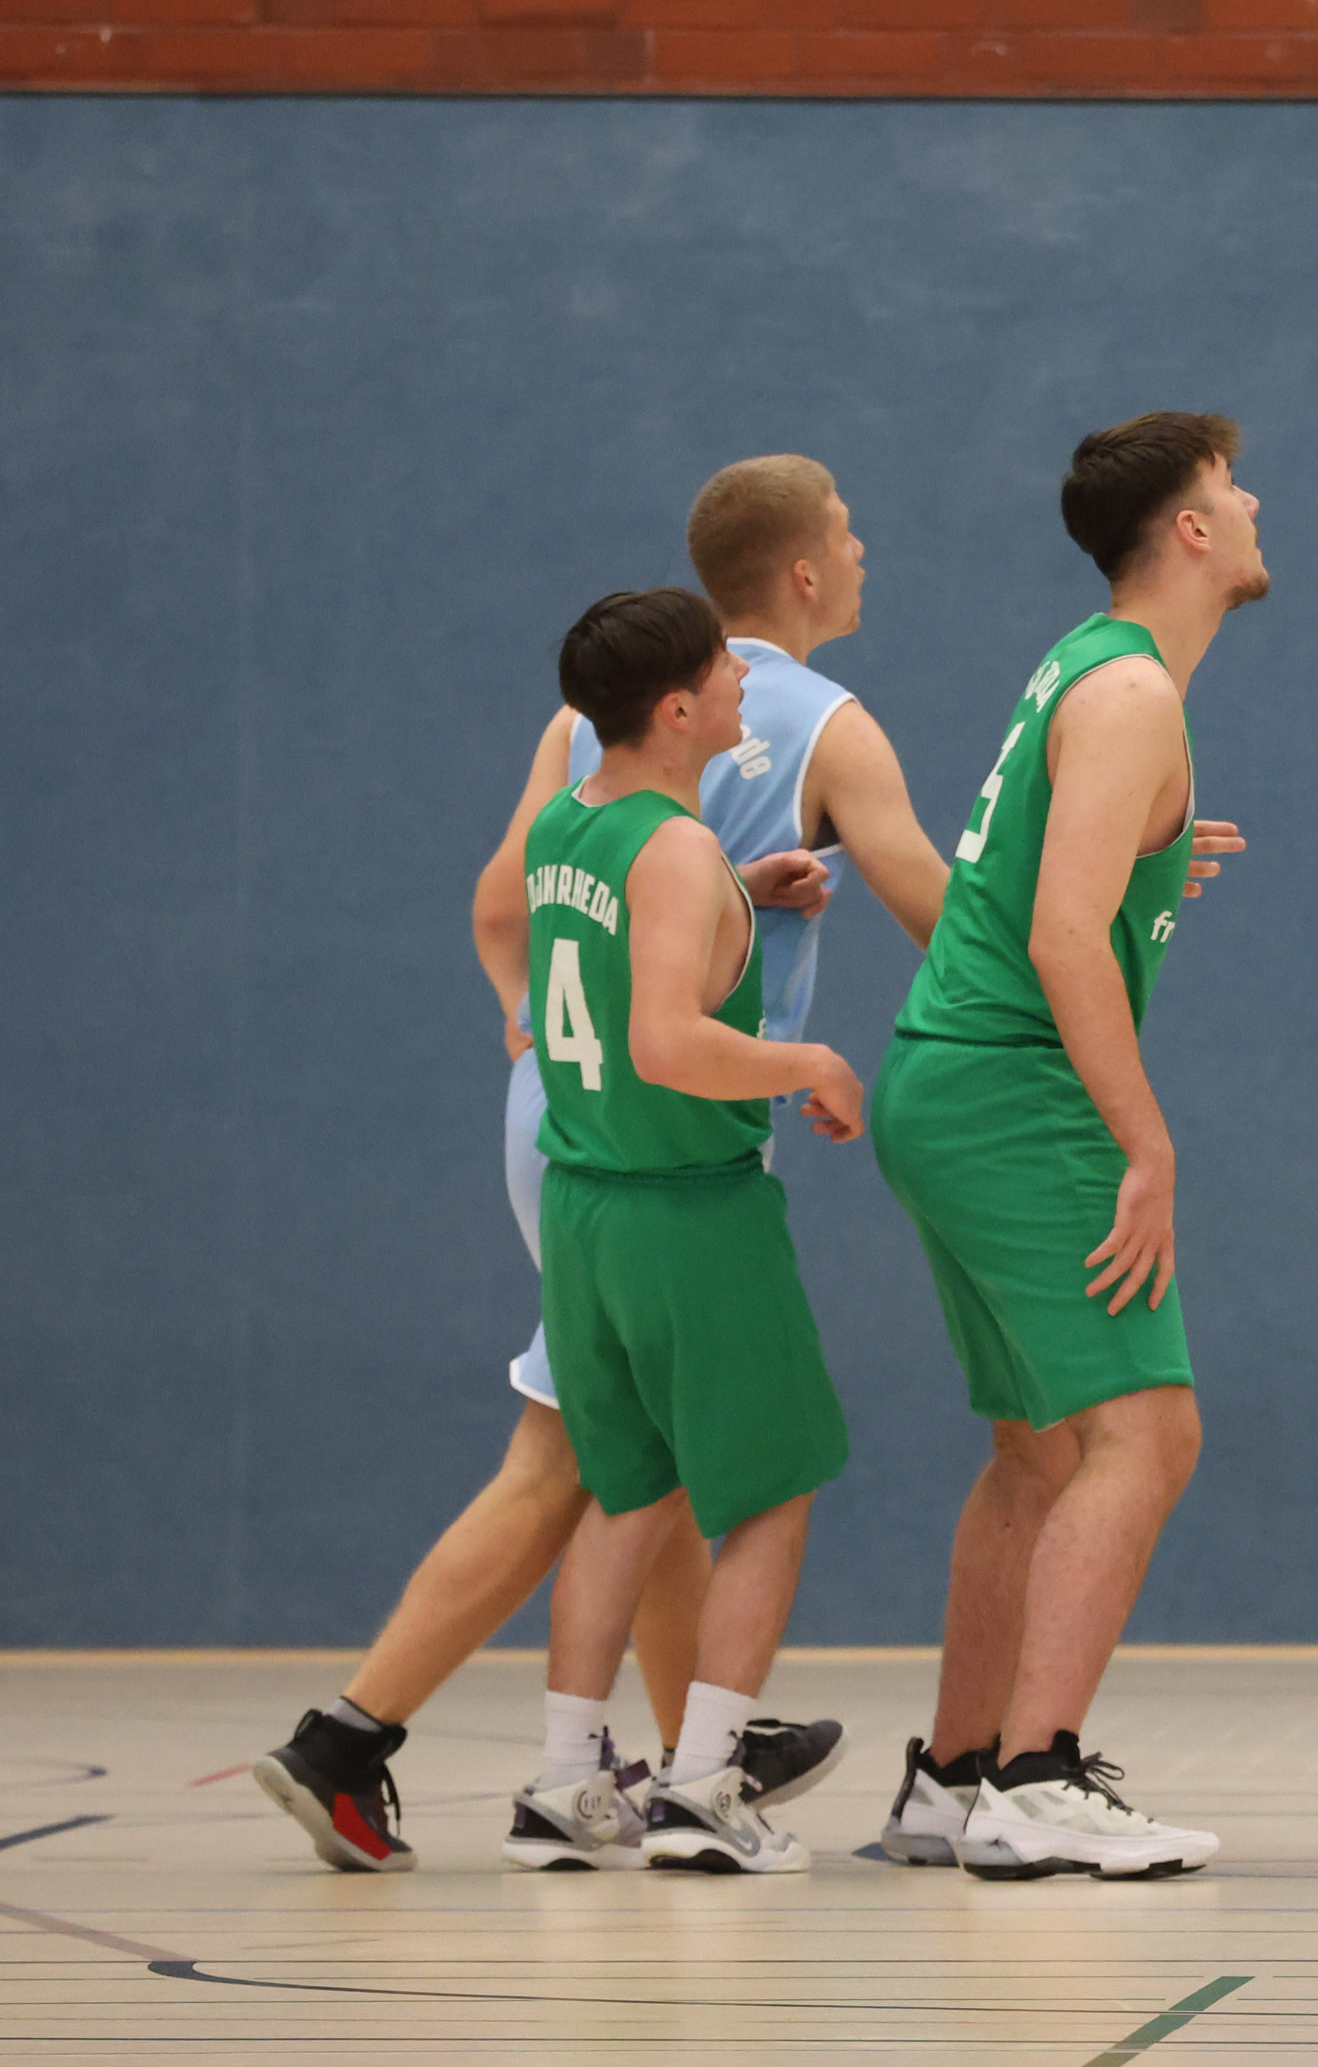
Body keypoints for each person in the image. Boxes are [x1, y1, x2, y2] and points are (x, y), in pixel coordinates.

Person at [252, 456, 946, 1872]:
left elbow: (500, 905)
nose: (865, 549)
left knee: (632, 1456)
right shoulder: (829, 725)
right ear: (801, 571)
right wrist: (1091, 915)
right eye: (848, 533)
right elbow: (940, 912)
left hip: (560, 1113)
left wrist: (524, 1015)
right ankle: (368, 1736)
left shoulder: (585, 726)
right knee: (590, 1461)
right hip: (671, 1138)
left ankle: (673, 1748)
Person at [869, 413, 1268, 1880]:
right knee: (1147, 1433)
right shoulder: (1133, 692)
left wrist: (1154, 852)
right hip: (1010, 1087)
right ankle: (1036, 1781)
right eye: (1232, 488)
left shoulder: (1088, 668)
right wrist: (1145, 1143)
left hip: (946, 1078)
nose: (1253, 504)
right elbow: (1057, 937)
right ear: (1190, 531)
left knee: (1039, 1449)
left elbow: (1054, 875)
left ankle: (954, 1776)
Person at [507, 588, 868, 1878]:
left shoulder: (571, 821)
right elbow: (666, 1040)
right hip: (687, 1208)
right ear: (675, 709)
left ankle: (566, 1783)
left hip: (585, 1204)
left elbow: (619, 953)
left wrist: (734, 899)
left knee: (630, 1492)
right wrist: (809, 1060)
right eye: (722, 670)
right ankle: (708, 1784)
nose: (741, 683)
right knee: (769, 1491)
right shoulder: (672, 848)